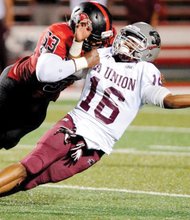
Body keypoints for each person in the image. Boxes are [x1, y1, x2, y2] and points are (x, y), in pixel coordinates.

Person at [2, 21, 190, 197]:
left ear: (147, 52)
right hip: (74, 124)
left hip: (98, 144)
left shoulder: (146, 72)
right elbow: (74, 69)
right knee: (29, 166)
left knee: (29, 182)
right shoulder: (102, 54)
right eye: (126, 36)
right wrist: (78, 42)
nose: (125, 42)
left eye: (133, 41)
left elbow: (169, 100)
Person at [0, 1, 114, 150]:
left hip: (39, 104)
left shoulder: (104, 40)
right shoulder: (59, 33)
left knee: (6, 139)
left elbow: (82, 69)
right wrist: (84, 61)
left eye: (101, 40)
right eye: (93, 39)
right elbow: (45, 74)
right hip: (15, 88)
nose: (98, 45)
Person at [0, 0, 14, 72]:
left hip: (1, 22)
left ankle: (3, 70)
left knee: (2, 48)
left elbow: (8, 6)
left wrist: (8, 22)